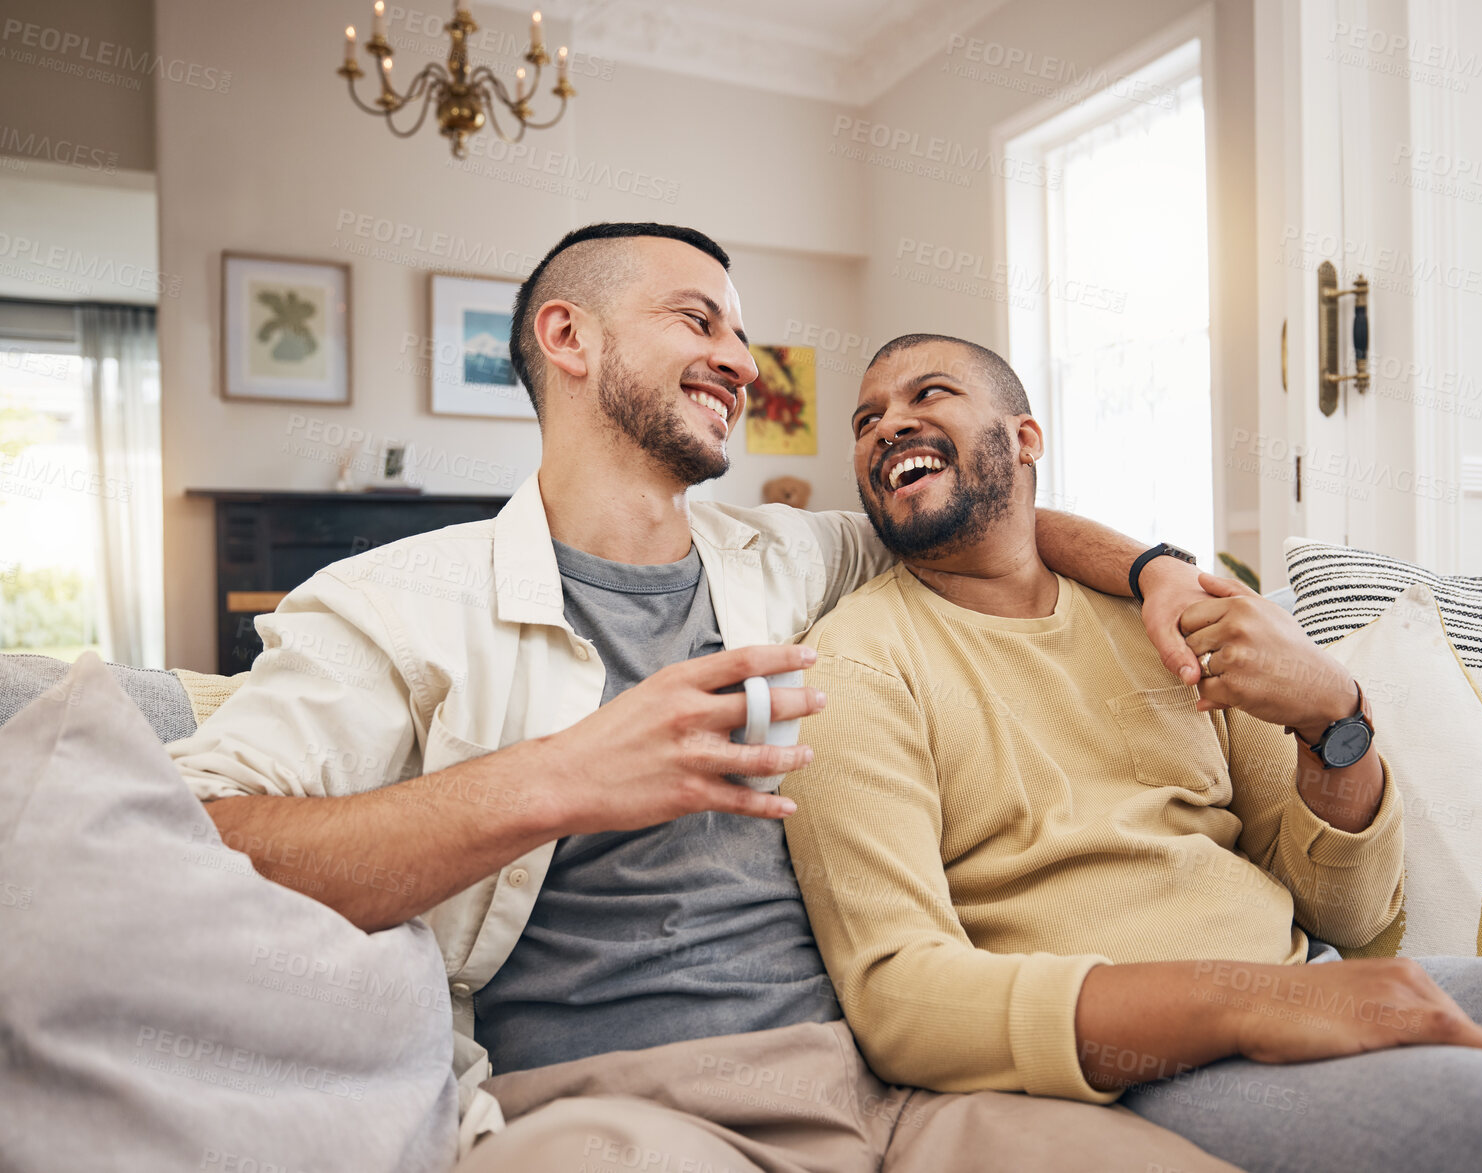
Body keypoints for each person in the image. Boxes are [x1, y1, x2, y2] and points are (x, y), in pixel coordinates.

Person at [170, 224, 1242, 1171]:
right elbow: (191, 848)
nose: (740, 359)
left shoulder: (797, 558)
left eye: (742, 334)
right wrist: (558, 780)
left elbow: (982, 512)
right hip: (611, 1113)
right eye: (700, 320)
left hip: (889, 1095)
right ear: (569, 338)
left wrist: (1157, 569)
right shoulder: (391, 606)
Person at [783, 332, 1482, 1173]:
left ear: (1026, 438)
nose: (887, 424)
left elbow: (1349, 902)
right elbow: (900, 997)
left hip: (1314, 982)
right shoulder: (856, 667)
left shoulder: (1164, 623)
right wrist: (1247, 1002)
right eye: (866, 420)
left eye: (926, 393)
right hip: (1150, 1062)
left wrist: (1334, 718)